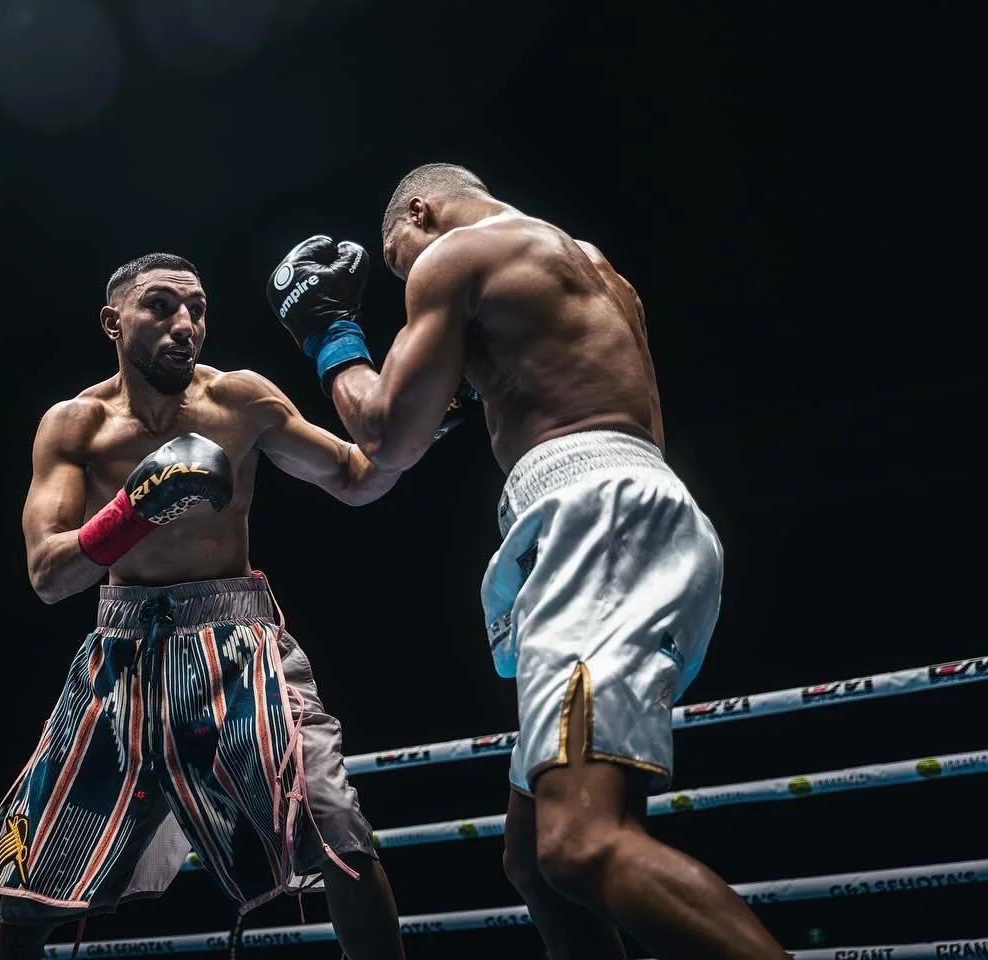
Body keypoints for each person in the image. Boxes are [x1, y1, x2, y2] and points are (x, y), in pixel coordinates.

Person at [264, 164, 789, 959]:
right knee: (536, 863)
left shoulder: (455, 255)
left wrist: (329, 332)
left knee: (581, 846)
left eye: (399, 258)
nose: (410, 280)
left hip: (593, 530)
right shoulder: (592, 266)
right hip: (635, 515)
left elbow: (382, 435)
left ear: (420, 211)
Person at [0, 251, 466, 960]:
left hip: (238, 646)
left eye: (197, 309)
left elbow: (355, 478)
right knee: (28, 893)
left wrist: (422, 427)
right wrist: (135, 510)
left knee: (337, 831)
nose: (185, 324)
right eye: (161, 306)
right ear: (112, 321)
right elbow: (48, 575)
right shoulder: (74, 427)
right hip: (121, 658)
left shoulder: (242, 401)